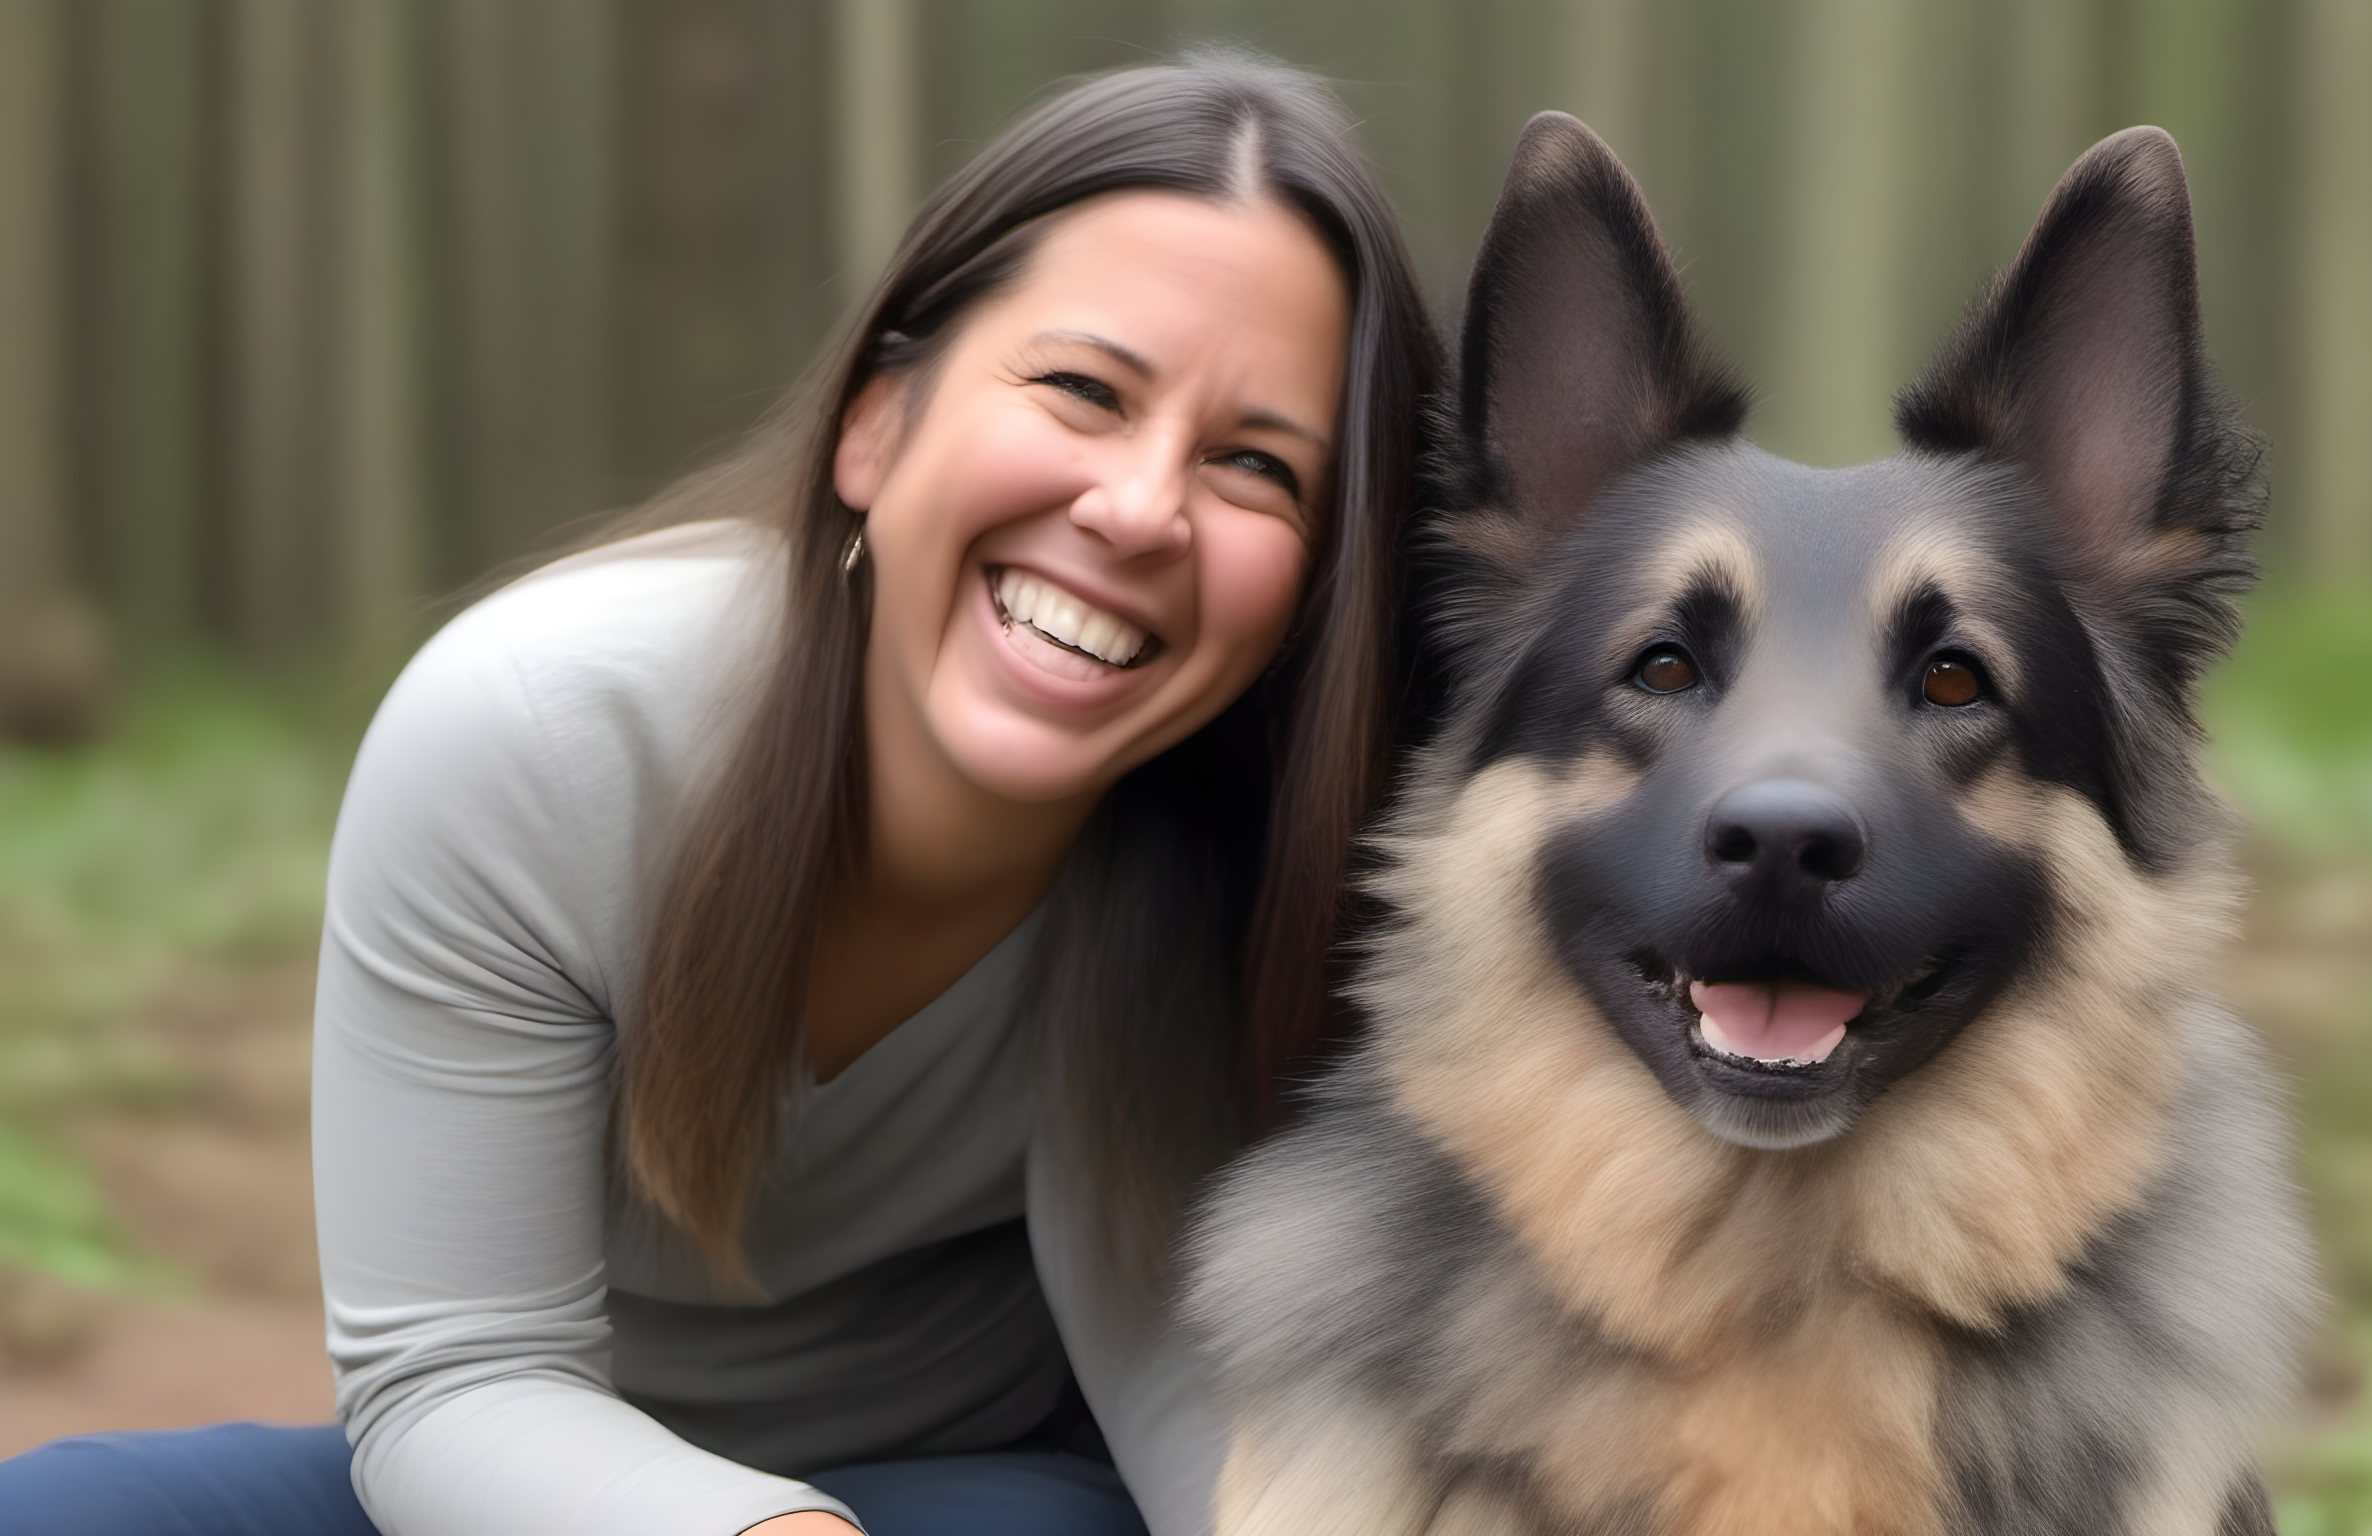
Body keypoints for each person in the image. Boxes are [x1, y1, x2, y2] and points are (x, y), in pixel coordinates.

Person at [0, 54, 1439, 1536]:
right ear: (875, 425)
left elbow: (1202, 1397)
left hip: (971, 1497)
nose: (1139, 509)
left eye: (1255, 467)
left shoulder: (1278, 863)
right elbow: (454, 1381)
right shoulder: (545, 739)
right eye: (1082, 389)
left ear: (1321, 585)